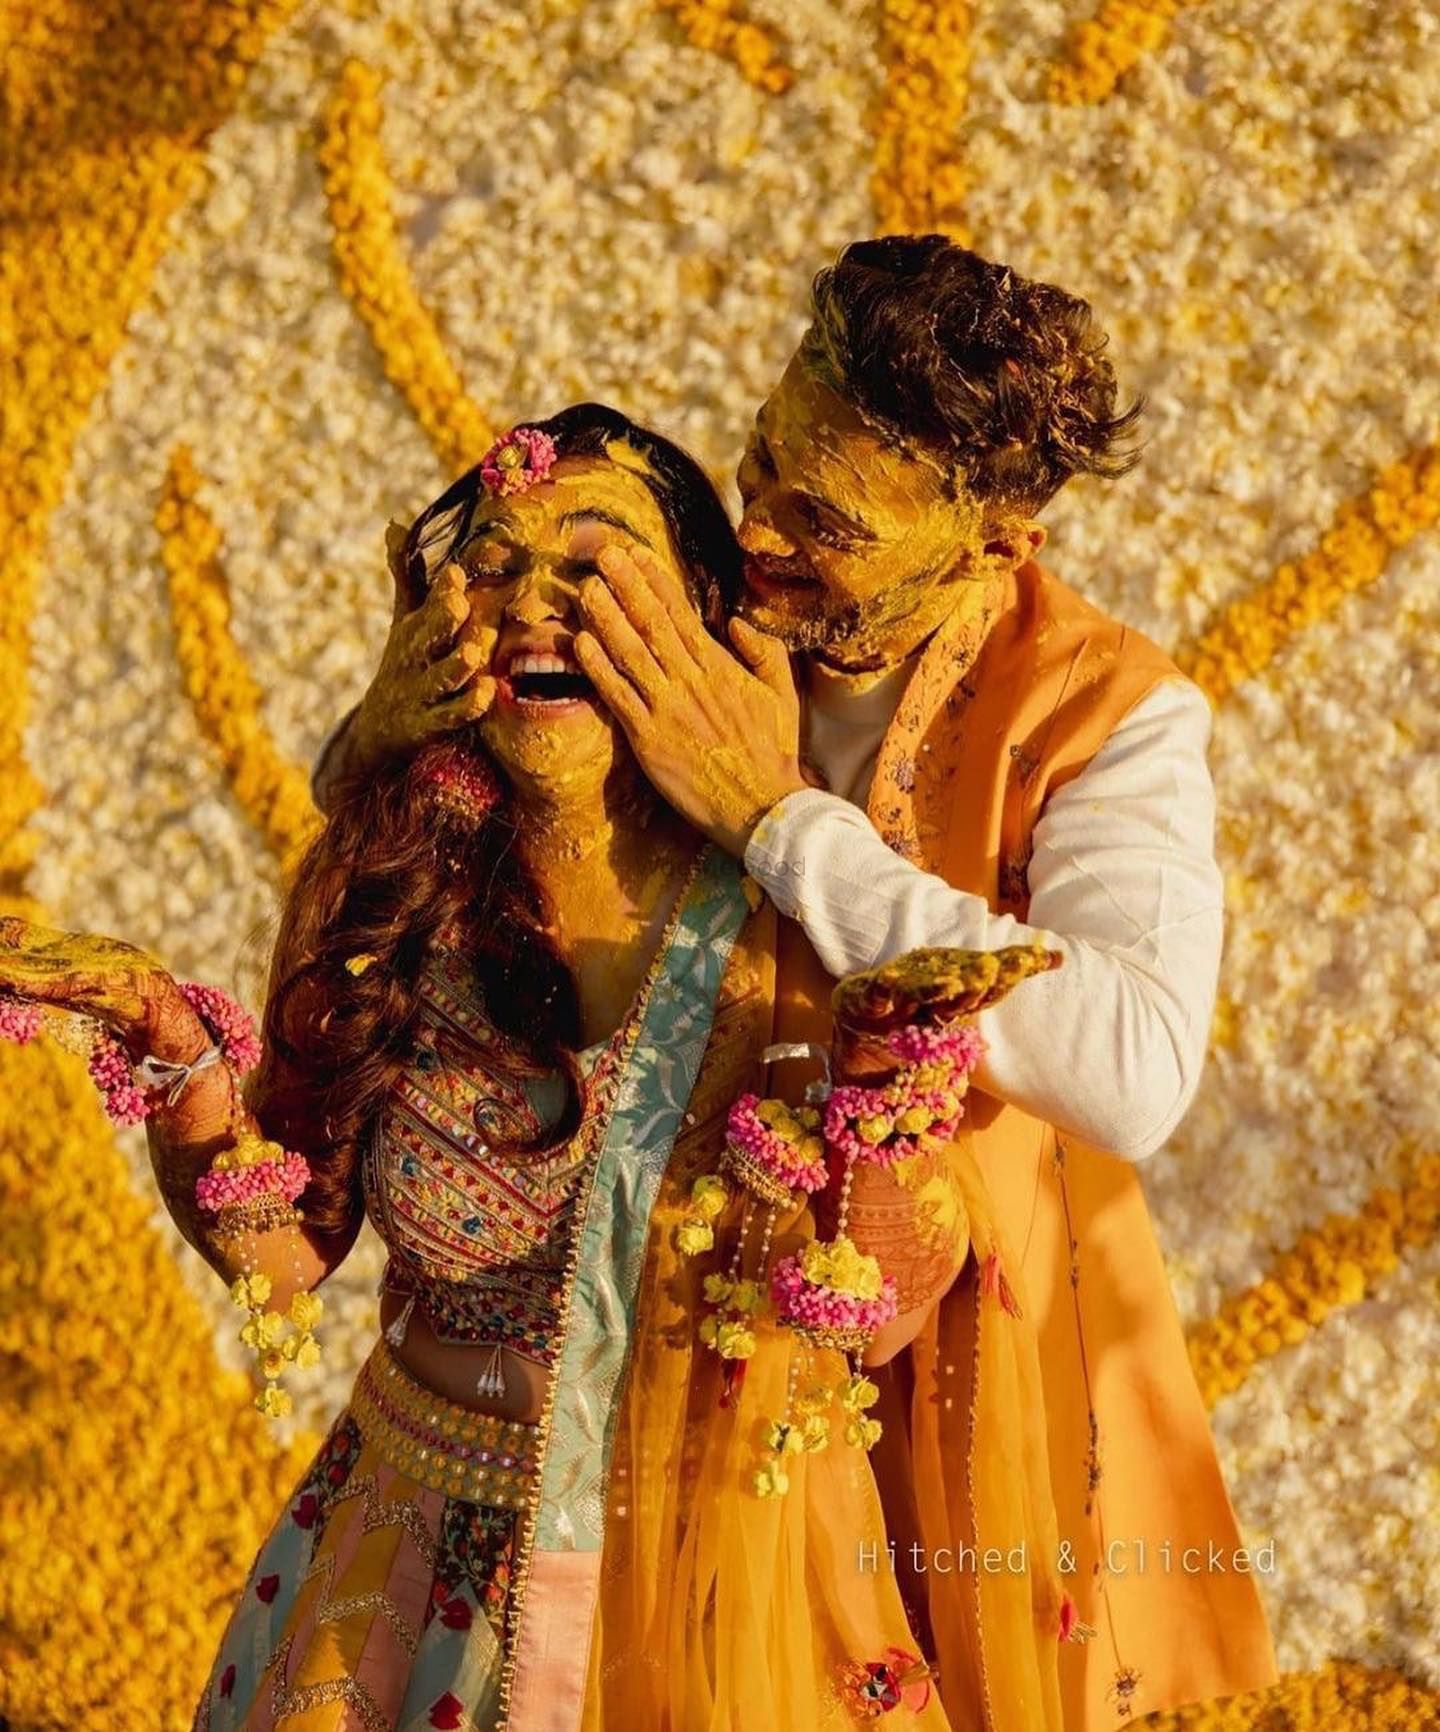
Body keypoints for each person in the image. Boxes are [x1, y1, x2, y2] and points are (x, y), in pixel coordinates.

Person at [313, 239, 1279, 1730]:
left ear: (994, 538)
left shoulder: (1108, 715)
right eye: (763, 457)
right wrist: (365, 740)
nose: (755, 525)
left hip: (953, 1357)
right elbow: (471, 782)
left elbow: (1132, 1070)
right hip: (670, 1340)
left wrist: (774, 820)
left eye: (820, 517)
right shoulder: (713, 605)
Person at [0, 403, 1081, 1731]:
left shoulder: (803, 892)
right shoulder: (393, 873)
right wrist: (171, 1056)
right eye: (500, 563)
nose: (534, 605)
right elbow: (285, 1248)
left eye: (596, 569)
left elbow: (876, 1311)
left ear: (698, 622)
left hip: (717, 1608)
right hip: (402, 1607)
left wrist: (884, 1079)